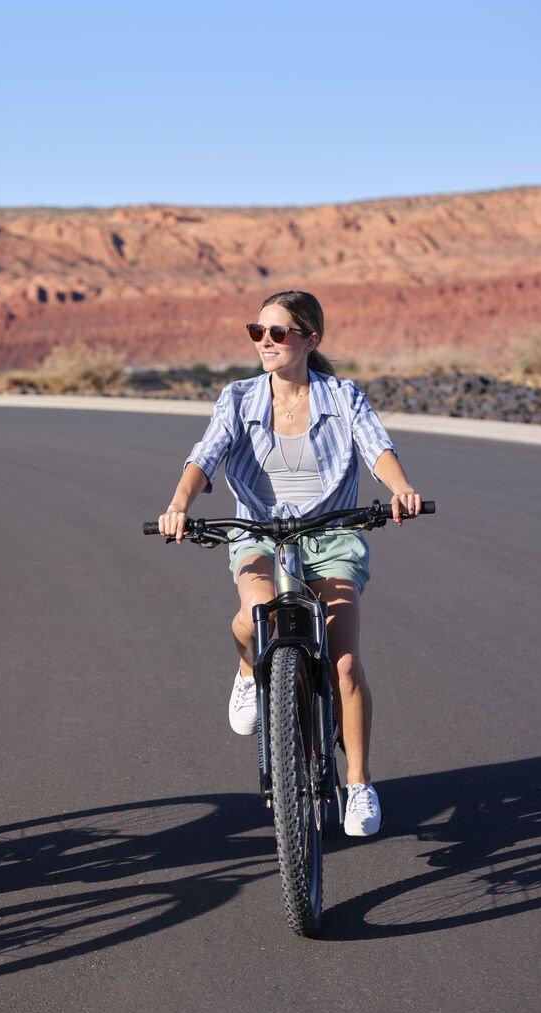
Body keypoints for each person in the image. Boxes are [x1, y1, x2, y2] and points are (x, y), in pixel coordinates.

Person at [156, 291, 421, 836]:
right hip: (259, 533)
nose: (266, 343)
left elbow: (376, 448)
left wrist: (400, 487)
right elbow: (206, 454)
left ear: (310, 340)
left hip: (330, 535)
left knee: (344, 662)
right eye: (258, 332)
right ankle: (249, 670)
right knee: (256, 612)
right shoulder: (238, 399)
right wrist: (179, 505)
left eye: (279, 333)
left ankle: (358, 785)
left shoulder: (342, 397)